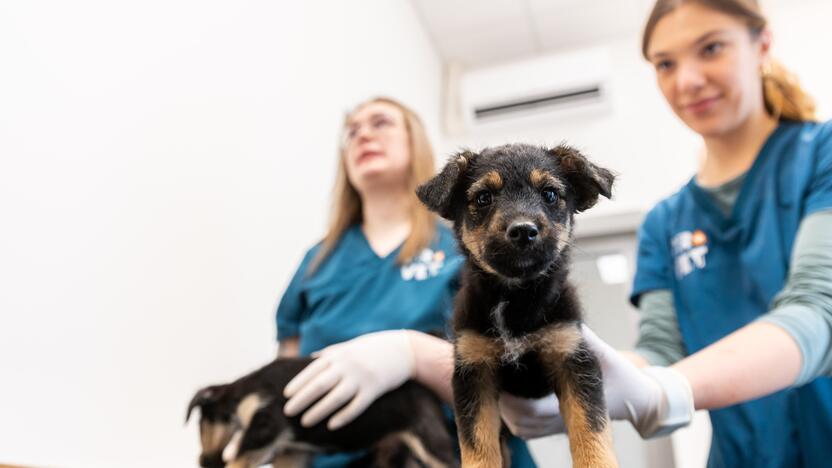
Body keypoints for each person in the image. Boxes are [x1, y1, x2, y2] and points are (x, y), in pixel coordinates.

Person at [496, 1, 832, 467]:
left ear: (763, 44)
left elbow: (821, 310)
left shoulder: (823, 156)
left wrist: (663, 393)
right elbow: (659, 351)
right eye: (665, 64)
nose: (687, 81)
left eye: (711, 48)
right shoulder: (664, 223)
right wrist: (579, 383)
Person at [275, 97, 538, 467]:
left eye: (380, 123)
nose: (363, 134)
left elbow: (523, 393)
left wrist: (416, 357)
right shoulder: (316, 262)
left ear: (415, 143)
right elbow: (286, 379)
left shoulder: (470, 250)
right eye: (351, 132)